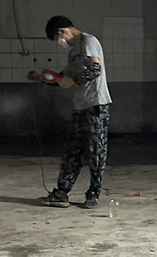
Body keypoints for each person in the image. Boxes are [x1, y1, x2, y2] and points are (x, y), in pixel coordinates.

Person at [42, 15, 111, 209]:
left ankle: (93, 194)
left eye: (58, 38)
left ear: (62, 31)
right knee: (73, 152)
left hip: (96, 105)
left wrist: (73, 82)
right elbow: (65, 76)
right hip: (80, 106)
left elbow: (95, 68)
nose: (60, 42)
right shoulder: (73, 52)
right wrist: (48, 78)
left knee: (96, 152)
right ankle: (61, 193)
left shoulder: (88, 41)